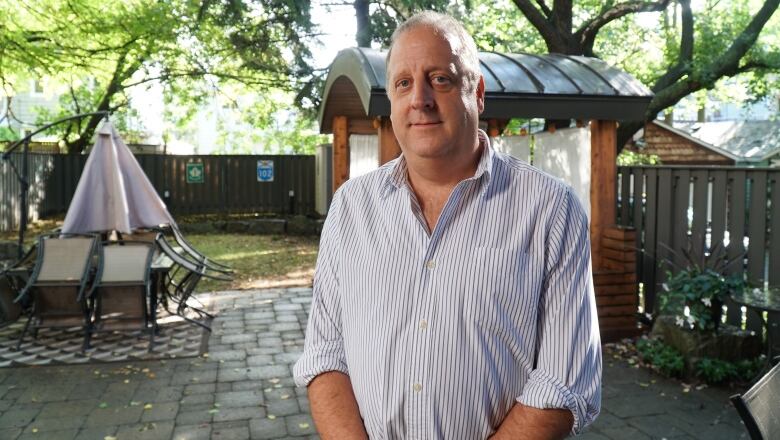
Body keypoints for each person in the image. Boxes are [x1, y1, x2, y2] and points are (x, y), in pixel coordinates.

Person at [294, 11, 601, 439]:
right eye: (403, 83)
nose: (419, 98)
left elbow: (564, 382)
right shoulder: (351, 208)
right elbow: (325, 355)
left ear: (476, 92)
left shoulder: (550, 209)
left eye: (439, 78)